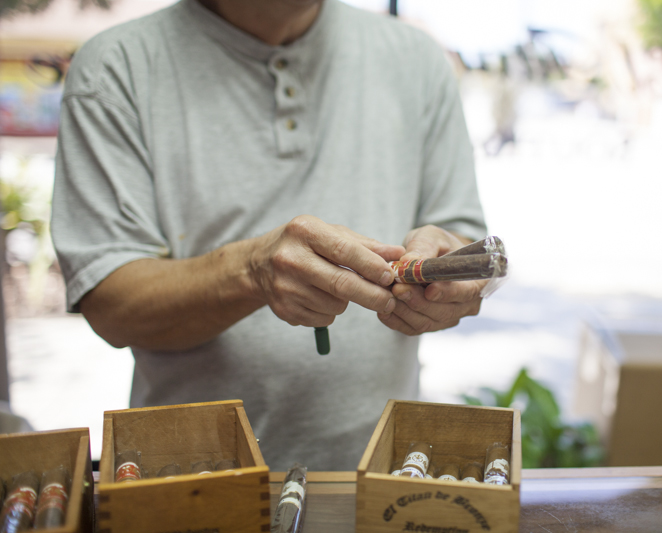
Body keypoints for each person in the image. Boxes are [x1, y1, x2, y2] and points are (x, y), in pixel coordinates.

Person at [51, 0, 487, 470]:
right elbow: (111, 304)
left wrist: (453, 275)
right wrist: (251, 271)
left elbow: (465, 238)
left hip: (386, 476)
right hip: (196, 481)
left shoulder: (416, 58)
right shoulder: (116, 68)